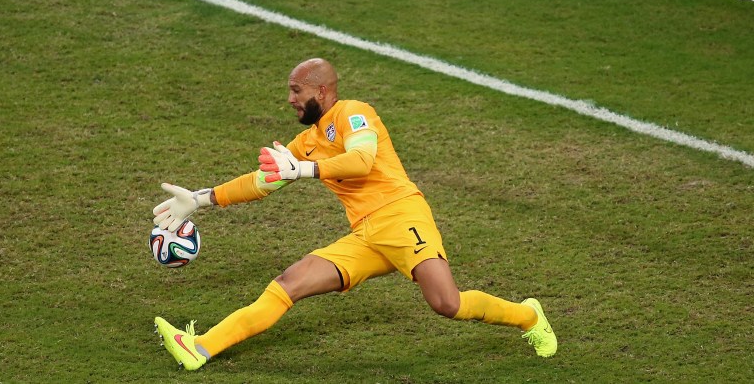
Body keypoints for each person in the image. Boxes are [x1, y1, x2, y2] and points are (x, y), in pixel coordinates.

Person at [152, 58, 557, 371]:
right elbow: (261, 182)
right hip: (366, 234)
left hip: (402, 217)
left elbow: (362, 159)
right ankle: (200, 347)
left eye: (297, 91)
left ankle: (528, 316)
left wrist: (305, 170)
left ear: (322, 91)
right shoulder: (305, 142)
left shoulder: (353, 113)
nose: (290, 99)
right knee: (289, 282)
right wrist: (201, 199)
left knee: (446, 304)